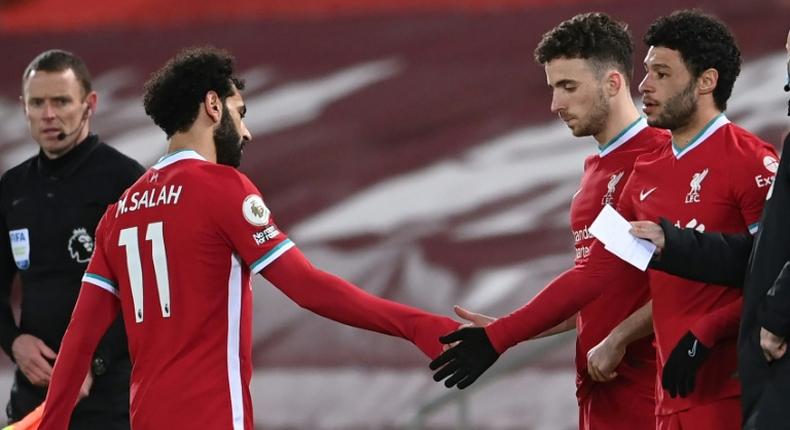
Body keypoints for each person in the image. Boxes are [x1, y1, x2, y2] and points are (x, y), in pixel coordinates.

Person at [35, 46, 460, 430]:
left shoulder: (118, 212)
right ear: (213, 105)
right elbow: (310, 289)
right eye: (241, 113)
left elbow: (78, 340)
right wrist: (422, 327)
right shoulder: (222, 187)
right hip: (214, 418)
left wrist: (51, 424)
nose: (247, 132)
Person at [431, 10, 778, 430]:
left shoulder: (732, 158)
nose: (556, 103)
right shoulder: (639, 171)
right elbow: (597, 275)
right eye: (647, 71)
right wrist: (511, 329)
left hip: (699, 383)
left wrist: (635, 337)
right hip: (643, 394)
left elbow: (763, 274)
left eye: (568, 86)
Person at [450, 12, 665, 429]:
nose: (556, 104)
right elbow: (603, 287)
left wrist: (504, 336)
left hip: (651, 397)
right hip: (600, 397)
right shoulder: (593, 173)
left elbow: (686, 287)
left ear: (613, 83)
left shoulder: (656, 157)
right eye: (552, 88)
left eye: (568, 86)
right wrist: (520, 326)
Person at [629, 29, 790, 430]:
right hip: (673, 395)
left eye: (661, 73)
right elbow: (759, 259)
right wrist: (674, 243)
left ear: (706, 81)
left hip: (728, 388)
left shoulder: (752, 160)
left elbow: (766, 266)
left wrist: (713, 330)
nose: (644, 85)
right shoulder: (643, 172)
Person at [0, 50, 144, 429]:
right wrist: (13, 343)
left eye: (61, 101)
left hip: (110, 400)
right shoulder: (12, 188)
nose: (48, 114)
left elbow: (146, 294)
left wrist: (91, 362)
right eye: (37, 102)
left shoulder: (127, 183)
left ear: (89, 104)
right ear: (23, 108)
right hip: (34, 397)